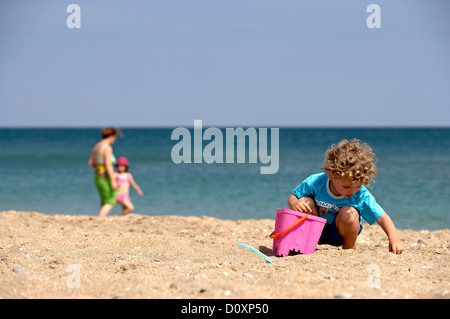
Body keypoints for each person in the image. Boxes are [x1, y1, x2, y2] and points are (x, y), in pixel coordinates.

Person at [287, 139, 404, 254]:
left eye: (358, 186)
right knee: (304, 200)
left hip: (340, 233)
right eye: (346, 187)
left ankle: (348, 249)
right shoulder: (315, 182)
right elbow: (293, 197)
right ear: (331, 175)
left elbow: (382, 217)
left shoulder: (361, 194)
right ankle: (306, 244)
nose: (352, 191)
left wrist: (394, 238)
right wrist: (294, 204)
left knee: (349, 212)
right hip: (314, 231)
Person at [88, 127, 122, 217]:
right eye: (115, 137)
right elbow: (108, 165)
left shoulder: (97, 146)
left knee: (104, 200)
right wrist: (113, 180)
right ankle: (100, 218)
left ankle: (100, 218)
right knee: (111, 199)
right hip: (105, 176)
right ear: (112, 136)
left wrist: (99, 167)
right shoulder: (107, 148)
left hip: (97, 175)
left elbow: (90, 163)